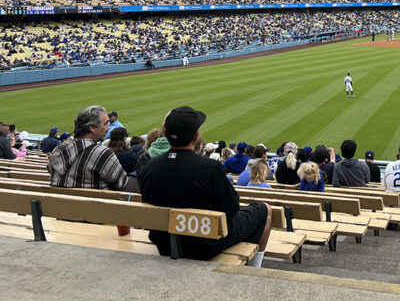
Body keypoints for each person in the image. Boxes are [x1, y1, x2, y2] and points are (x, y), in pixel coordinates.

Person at [139, 106, 271, 265]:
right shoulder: (210, 168)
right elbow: (232, 208)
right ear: (195, 136)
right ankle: (254, 270)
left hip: (164, 244)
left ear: (165, 133)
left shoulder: (149, 167)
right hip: (205, 246)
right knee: (265, 210)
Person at [48, 106, 128, 190]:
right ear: (92, 128)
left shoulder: (59, 149)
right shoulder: (102, 154)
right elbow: (123, 183)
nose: (108, 128)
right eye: (105, 124)